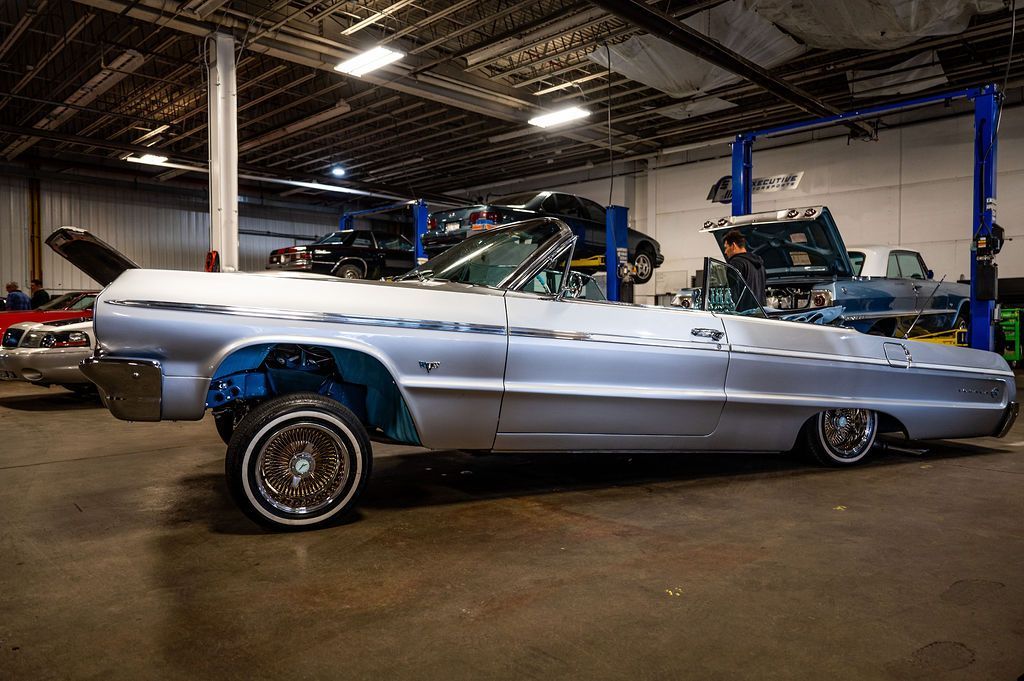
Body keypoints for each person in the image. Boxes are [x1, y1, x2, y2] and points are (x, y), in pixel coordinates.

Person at [722, 229, 766, 307]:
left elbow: (733, 293)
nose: (725, 252)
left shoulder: (735, 263)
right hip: (759, 312)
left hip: (743, 314)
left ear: (733, 246)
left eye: (726, 247)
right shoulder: (760, 265)